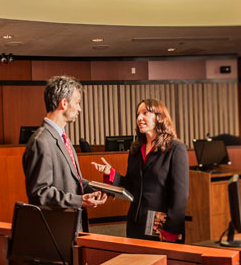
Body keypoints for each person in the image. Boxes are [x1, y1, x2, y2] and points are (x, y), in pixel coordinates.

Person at [92, 99, 188, 242]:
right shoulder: (136, 149)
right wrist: (111, 173)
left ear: (159, 117)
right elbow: (131, 186)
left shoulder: (175, 148)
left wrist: (171, 229)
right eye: (138, 114)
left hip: (162, 226)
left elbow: (180, 195)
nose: (139, 118)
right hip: (136, 222)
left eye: (145, 113)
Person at [22, 75, 106, 230]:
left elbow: (72, 179)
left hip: (71, 226)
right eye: (77, 103)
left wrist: (95, 188)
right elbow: (40, 193)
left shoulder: (62, 138)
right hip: (56, 229)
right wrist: (79, 200)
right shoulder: (40, 141)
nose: (80, 108)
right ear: (64, 103)